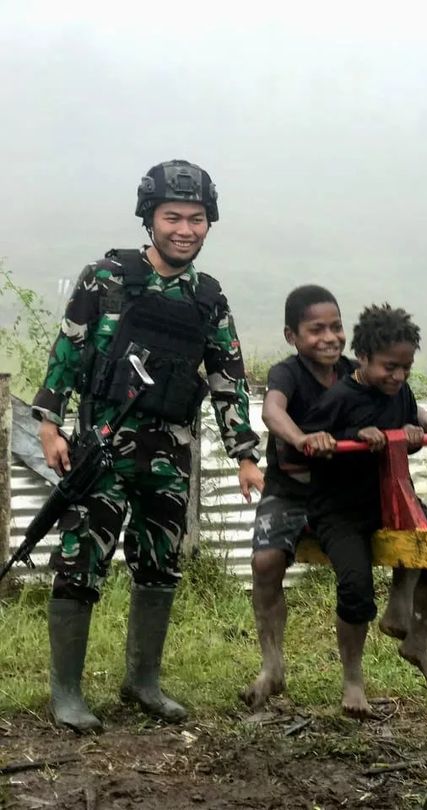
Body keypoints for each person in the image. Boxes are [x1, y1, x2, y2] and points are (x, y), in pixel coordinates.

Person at [33, 159, 262, 732]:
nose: (184, 229)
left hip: (170, 453)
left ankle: (142, 681)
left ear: (210, 223)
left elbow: (227, 380)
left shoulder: (208, 299)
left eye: (197, 218)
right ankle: (66, 693)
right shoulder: (104, 278)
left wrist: (245, 455)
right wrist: (48, 424)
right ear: (149, 219)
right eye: (172, 217)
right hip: (102, 447)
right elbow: (68, 353)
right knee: (81, 559)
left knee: (159, 562)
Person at [300, 303, 427, 717]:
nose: (399, 376)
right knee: (355, 589)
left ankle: (416, 639)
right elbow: (309, 443)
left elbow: (414, 426)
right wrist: (350, 435)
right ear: (363, 357)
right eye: (390, 367)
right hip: (340, 508)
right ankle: (353, 682)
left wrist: (423, 432)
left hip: (390, 497)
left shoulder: (401, 393)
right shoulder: (338, 398)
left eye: (406, 368)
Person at [241, 285, 350, 710]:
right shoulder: (287, 373)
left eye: (336, 327)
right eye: (316, 329)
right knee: (264, 563)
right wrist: (302, 439)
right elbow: (272, 412)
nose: (329, 338)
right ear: (292, 336)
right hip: (288, 491)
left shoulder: (355, 373)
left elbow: (400, 403)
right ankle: (272, 666)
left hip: (340, 492)